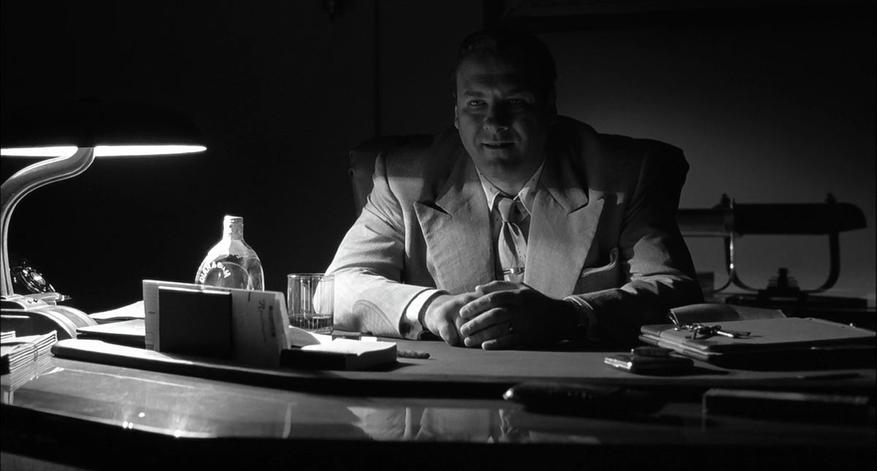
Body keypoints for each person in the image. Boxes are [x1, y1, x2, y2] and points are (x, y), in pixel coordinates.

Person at [325, 29, 702, 349]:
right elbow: (334, 289)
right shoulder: (403, 179)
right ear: (456, 113)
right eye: (476, 103)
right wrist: (429, 307)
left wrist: (568, 315)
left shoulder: (624, 175)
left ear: (549, 107)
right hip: (449, 393)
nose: (495, 122)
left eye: (515, 102)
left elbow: (675, 290)